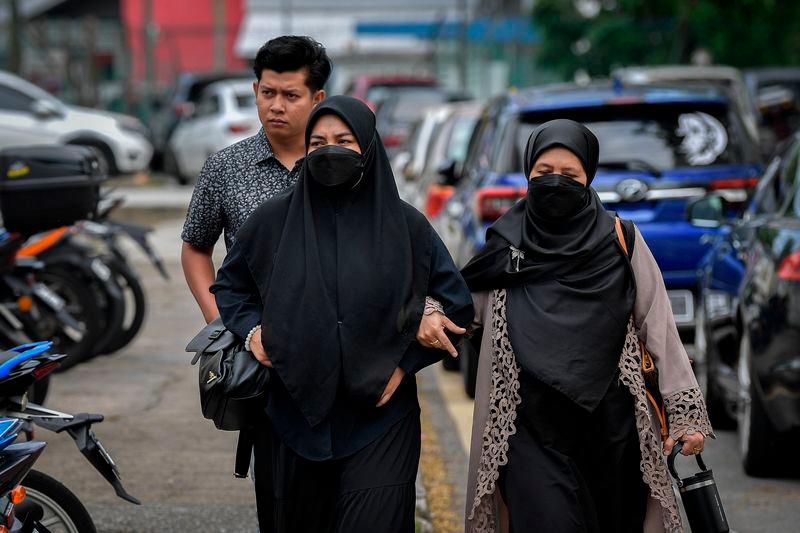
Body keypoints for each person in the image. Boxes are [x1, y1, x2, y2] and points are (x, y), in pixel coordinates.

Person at [211, 95, 474, 532]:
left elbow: (456, 303)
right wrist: (253, 332)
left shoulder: (406, 226)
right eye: (318, 142)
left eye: (344, 140)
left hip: (380, 418)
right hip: (290, 416)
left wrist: (407, 360)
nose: (330, 151)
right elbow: (231, 286)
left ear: (368, 148)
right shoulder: (273, 220)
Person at [461, 119, 713, 533]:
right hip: (528, 429)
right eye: (543, 174)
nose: (555, 183)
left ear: (588, 178)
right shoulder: (506, 247)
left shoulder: (620, 240)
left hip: (611, 431)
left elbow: (660, 328)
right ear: (528, 174)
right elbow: (461, 309)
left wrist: (685, 415)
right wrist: (424, 314)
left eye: (569, 175)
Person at [181, 35, 331, 323]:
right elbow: (196, 246)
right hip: (250, 335)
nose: (276, 106)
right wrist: (219, 320)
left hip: (330, 335)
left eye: (291, 96)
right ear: (255, 90)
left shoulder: (336, 164)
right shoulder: (225, 166)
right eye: (268, 93)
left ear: (317, 99)